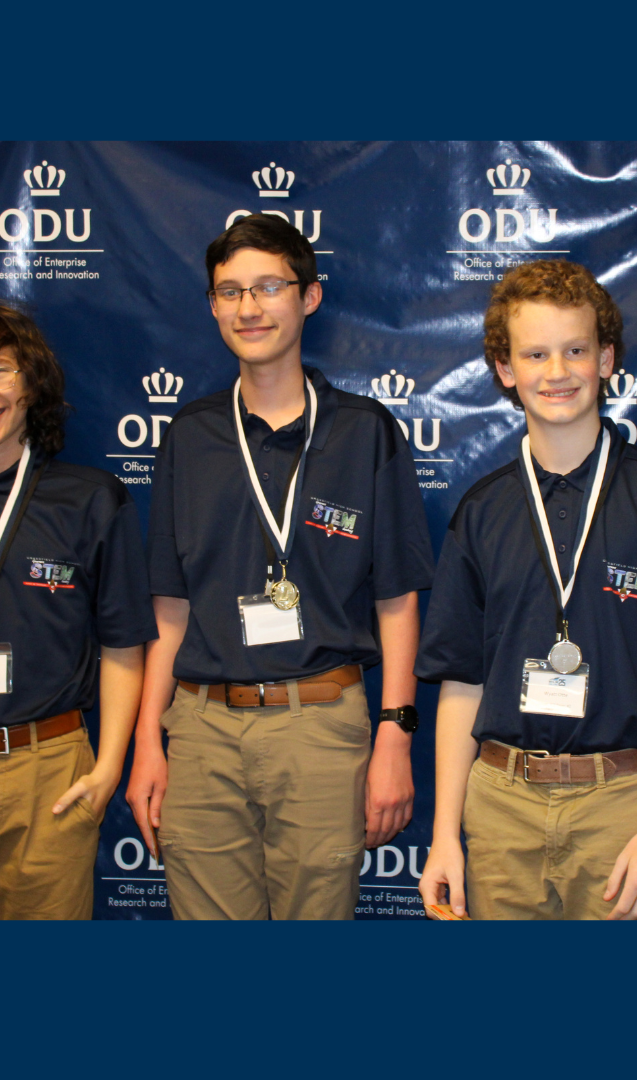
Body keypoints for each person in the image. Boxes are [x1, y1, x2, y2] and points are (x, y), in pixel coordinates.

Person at [126, 214, 433, 920]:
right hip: (201, 727)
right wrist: (149, 741)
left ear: (309, 297)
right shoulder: (189, 435)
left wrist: (395, 734)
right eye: (229, 291)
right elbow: (170, 608)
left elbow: (397, 601)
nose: (249, 307)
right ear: (212, 305)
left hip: (320, 724)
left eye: (268, 287)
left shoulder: (365, 432)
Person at [416, 259, 637, 920]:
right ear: (505, 369)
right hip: (501, 805)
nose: (557, 371)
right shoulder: (482, 511)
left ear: (606, 358)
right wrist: (445, 834)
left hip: (627, 805)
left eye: (576, 350)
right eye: (535, 354)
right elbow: (461, 683)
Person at [0, 300, 155, 920]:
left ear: (30, 382)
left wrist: (109, 768)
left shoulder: (91, 500)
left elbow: (123, 643)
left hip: (49, 772)